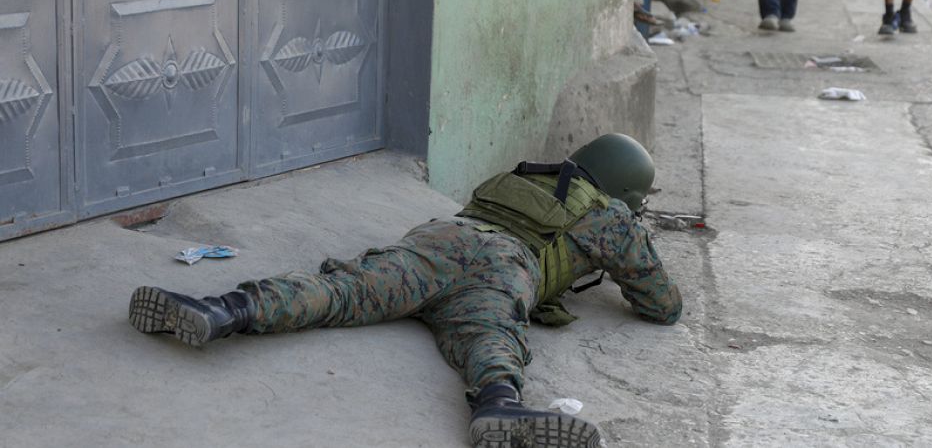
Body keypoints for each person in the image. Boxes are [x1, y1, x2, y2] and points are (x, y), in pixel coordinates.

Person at [127, 134, 682, 448]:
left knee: (342, 290)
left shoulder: (525, 172)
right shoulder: (611, 216)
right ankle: (498, 407)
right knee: (491, 331)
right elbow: (663, 305)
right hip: (504, 264)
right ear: (626, 188)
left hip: (440, 239)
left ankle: (221, 309)